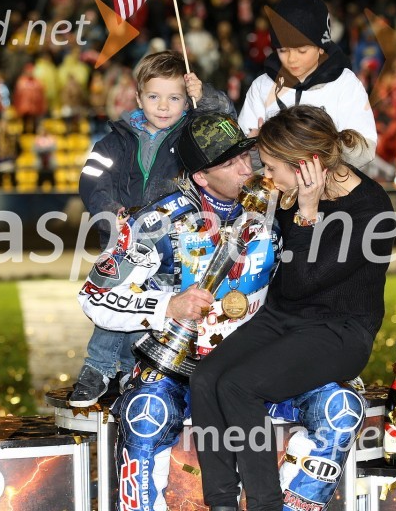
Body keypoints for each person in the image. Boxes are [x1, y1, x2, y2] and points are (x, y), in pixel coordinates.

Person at [191, 105, 396, 511]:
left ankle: (264, 504)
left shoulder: (371, 211)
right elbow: (288, 287)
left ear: (305, 166)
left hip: (339, 331)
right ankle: (221, 503)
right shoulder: (288, 195)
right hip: (282, 317)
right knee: (205, 378)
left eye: (271, 166)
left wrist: (307, 213)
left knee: (238, 385)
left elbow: (305, 281)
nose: (266, 175)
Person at [78, 112, 278, 510]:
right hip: (177, 369)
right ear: (201, 176)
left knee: (336, 406)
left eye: (246, 156)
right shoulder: (158, 221)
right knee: (144, 414)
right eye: (231, 163)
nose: (247, 168)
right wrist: (167, 305)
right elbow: (93, 295)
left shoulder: (275, 208)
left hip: (258, 365)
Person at [70, 50, 234, 407]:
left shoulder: (192, 136)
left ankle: (121, 368)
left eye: (174, 98)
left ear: (186, 101)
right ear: (138, 96)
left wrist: (204, 97)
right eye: (154, 96)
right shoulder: (115, 140)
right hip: (123, 237)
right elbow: (92, 178)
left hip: (174, 242)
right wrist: (109, 210)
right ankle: (102, 368)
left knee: (150, 306)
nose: (163, 106)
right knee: (119, 297)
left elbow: (225, 126)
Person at [238, 0, 377, 169]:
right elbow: (242, 155)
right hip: (275, 185)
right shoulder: (263, 86)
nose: (291, 59)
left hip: (331, 184)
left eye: (301, 50)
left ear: (321, 47)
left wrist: (315, 151)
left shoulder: (345, 84)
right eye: (283, 50)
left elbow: (365, 149)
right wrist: (253, 148)